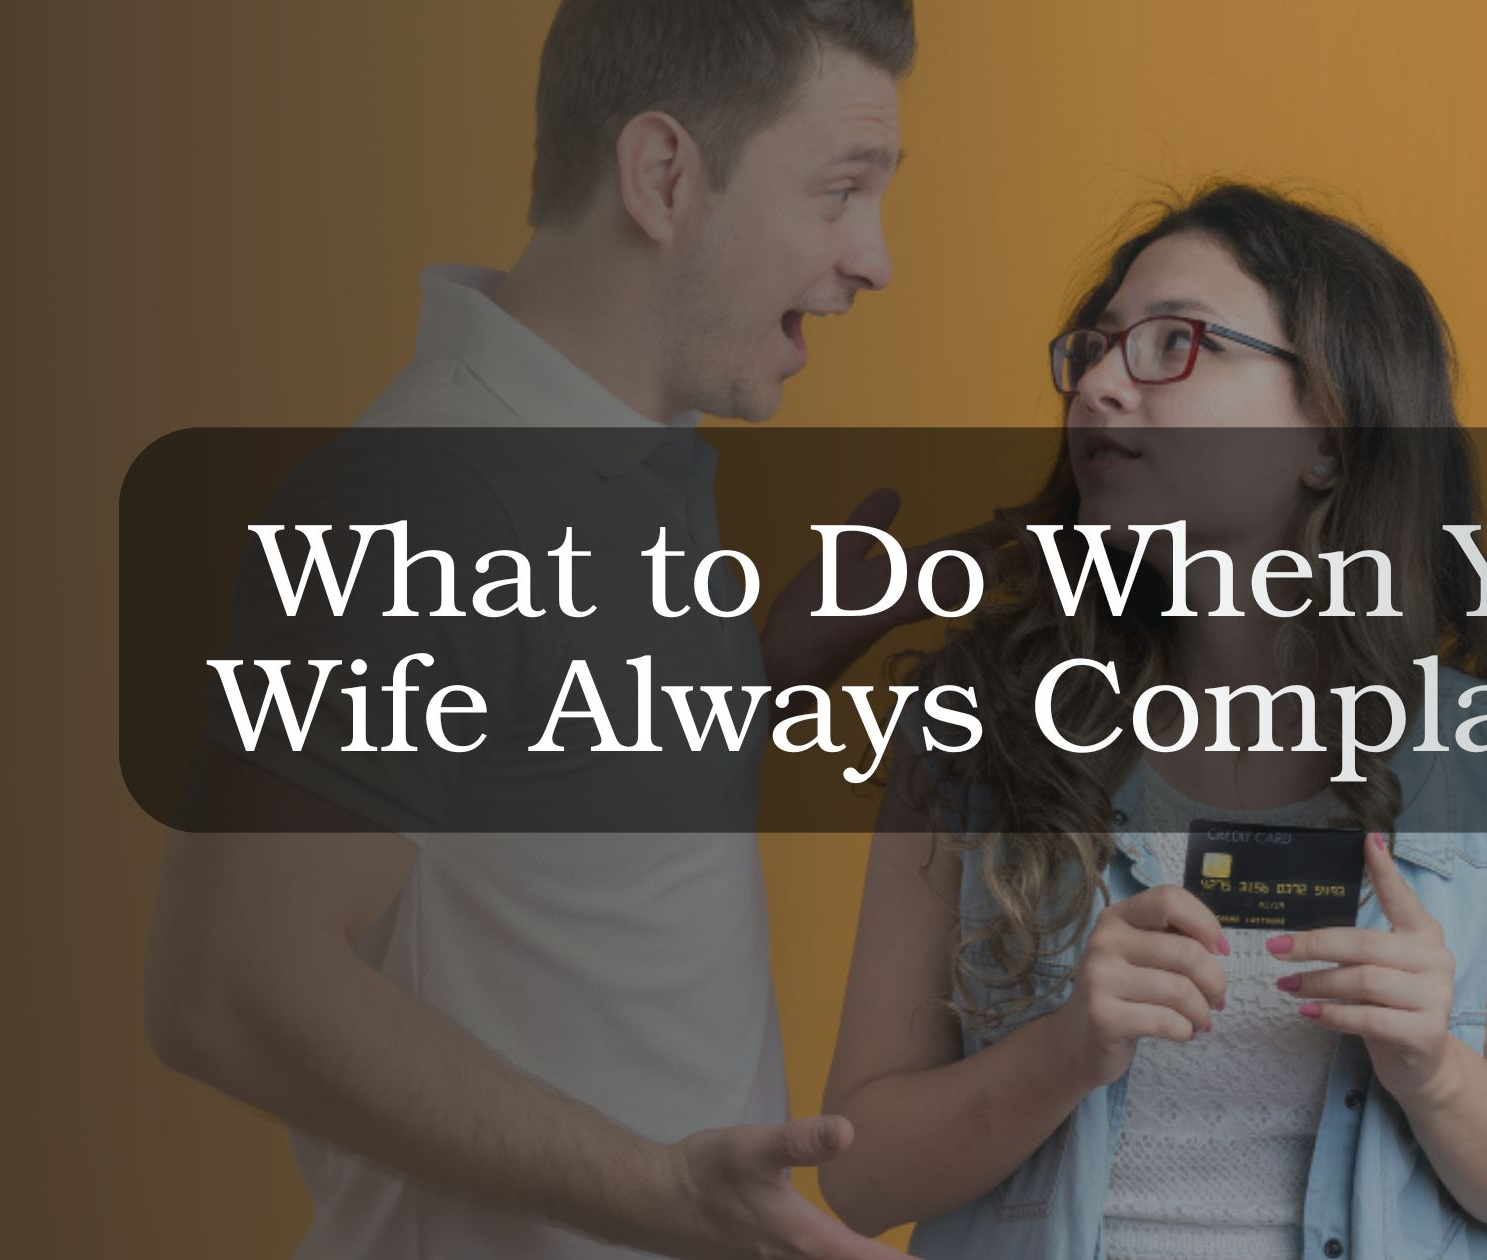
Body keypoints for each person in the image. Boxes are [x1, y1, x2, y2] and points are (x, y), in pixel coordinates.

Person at [143, 3, 926, 1258]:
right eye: (840, 192)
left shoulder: (626, 446)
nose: (875, 258)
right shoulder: (429, 503)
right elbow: (227, 988)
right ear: (664, 176)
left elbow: (537, 814)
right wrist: (664, 1200)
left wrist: (766, 676)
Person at [819, 183, 1487, 1259]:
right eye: (1092, 349)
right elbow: (859, 1176)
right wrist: (1061, 1052)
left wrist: (1435, 1071)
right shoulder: (974, 726)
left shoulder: (1483, 755)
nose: (1097, 384)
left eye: (1170, 344)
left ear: (1327, 435)